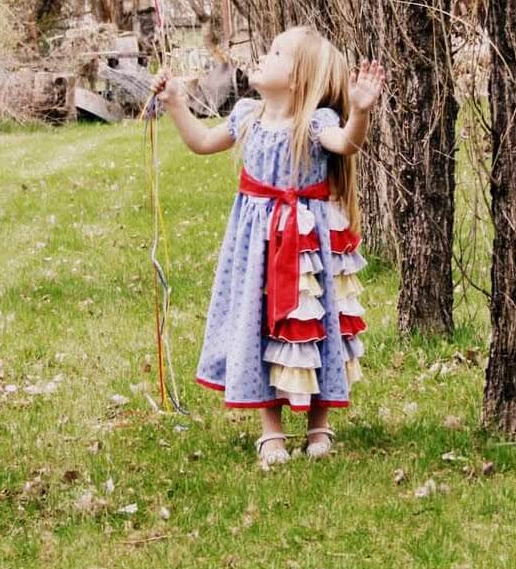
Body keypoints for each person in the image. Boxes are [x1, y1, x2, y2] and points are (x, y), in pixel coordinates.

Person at [152, 26, 385, 467]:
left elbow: (347, 144)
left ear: (297, 80)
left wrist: (360, 111)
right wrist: (177, 104)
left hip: (307, 249)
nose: (263, 54)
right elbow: (202, 143)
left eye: (277, 52)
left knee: (312, 325)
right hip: (256, 248)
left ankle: (320, 421)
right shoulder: (247, 116)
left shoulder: (317, 123)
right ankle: (271, 431)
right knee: (259, 327)